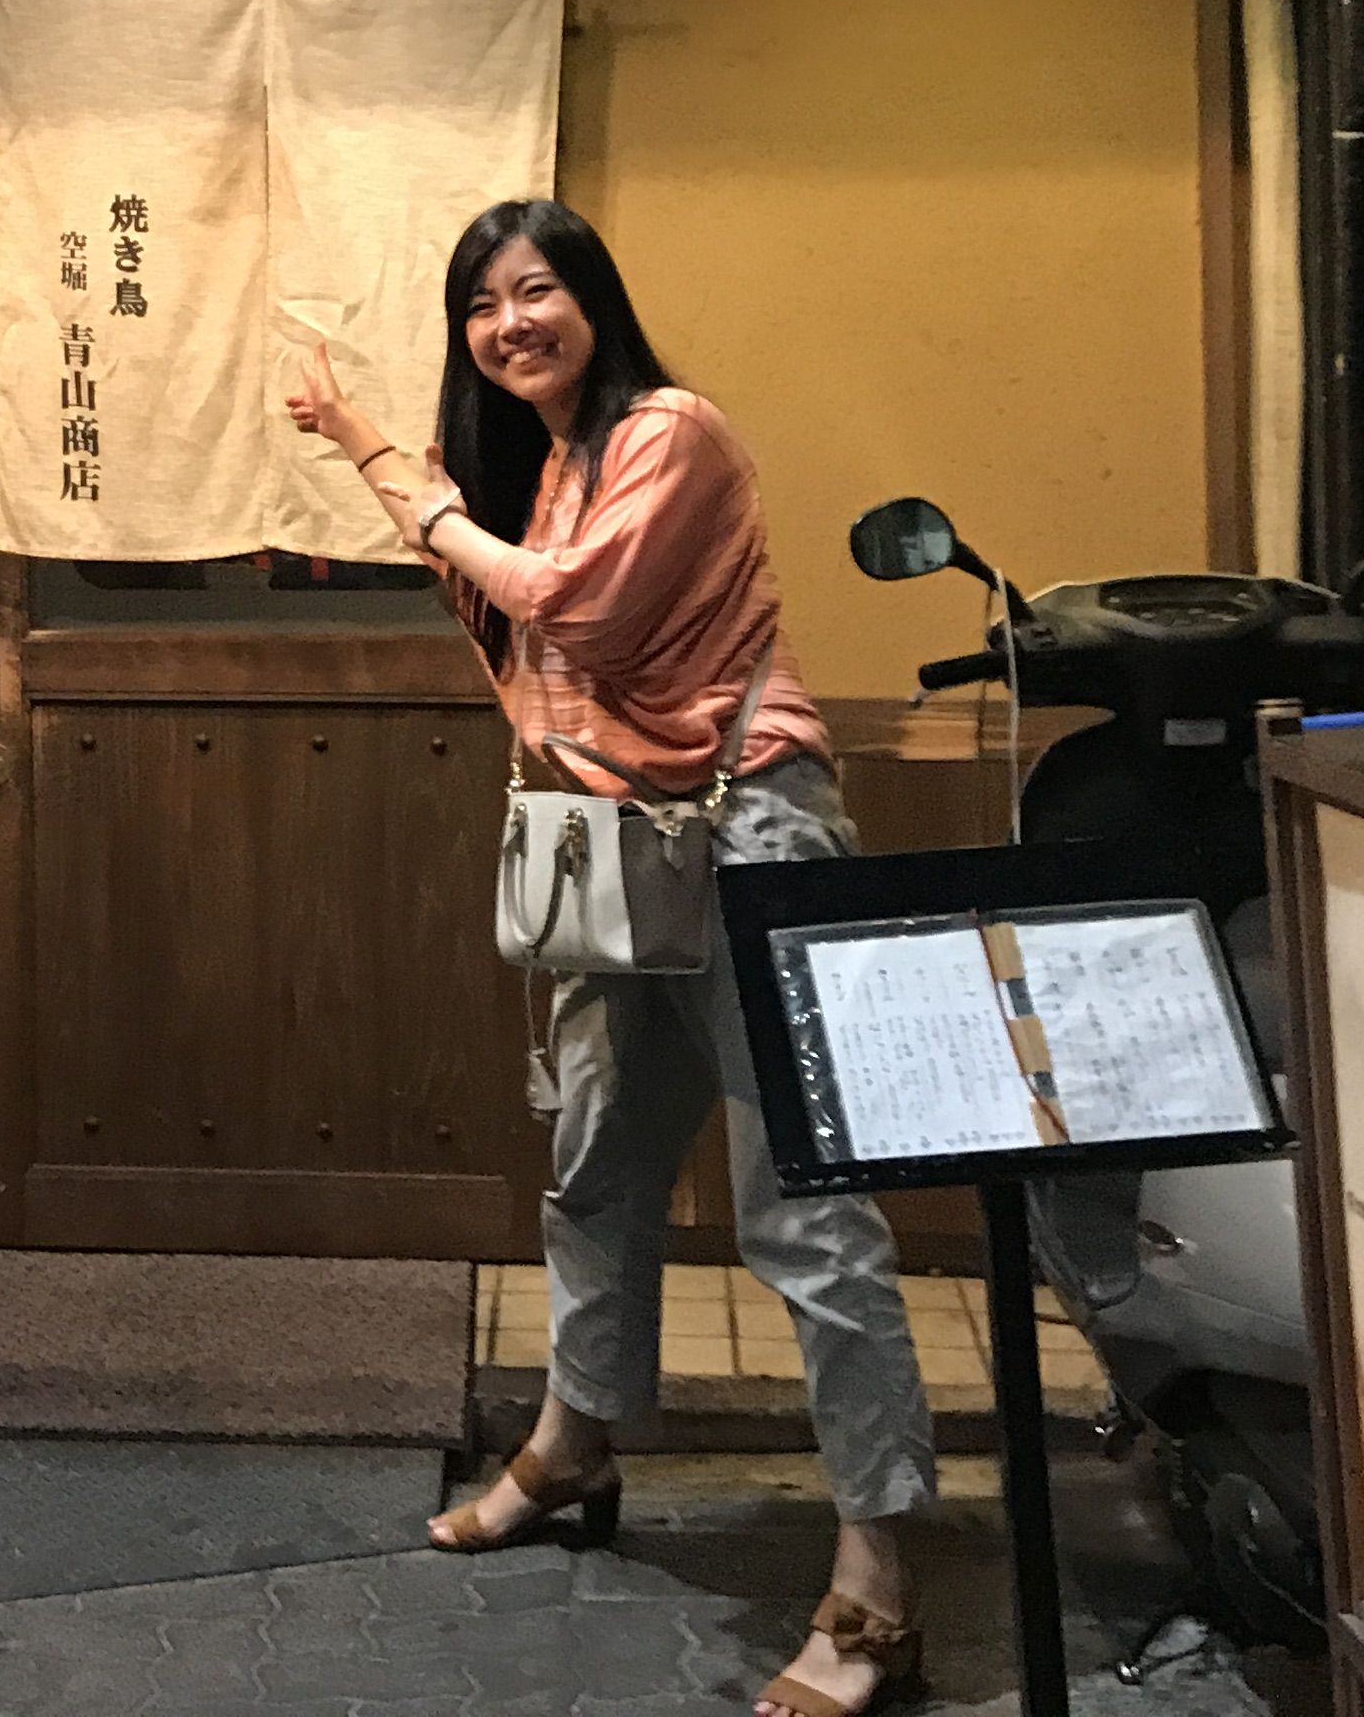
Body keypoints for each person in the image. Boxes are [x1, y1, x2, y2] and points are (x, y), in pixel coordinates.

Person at [286, 198, 935, 1717]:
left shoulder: (669, 434)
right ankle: (577, 1441)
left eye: (537, 290)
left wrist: (398, 476)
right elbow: (508, 618)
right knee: (591, 1169)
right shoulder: (556, 463)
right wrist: (375, 448)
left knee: (806, 1217)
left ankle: (879, 1571)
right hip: (615, 847)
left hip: (749, 833)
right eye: (483, 304)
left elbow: (564, 601)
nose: (511, 323)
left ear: (594, 298)